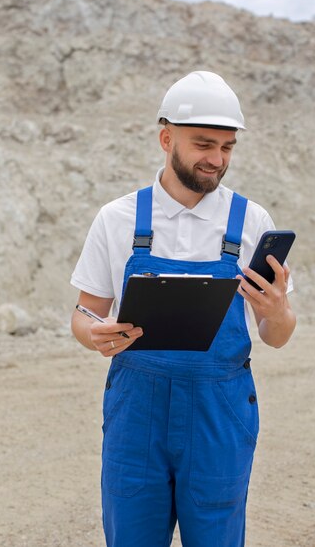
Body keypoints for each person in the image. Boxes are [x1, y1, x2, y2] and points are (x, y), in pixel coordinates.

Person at [70, 70, 296, 547]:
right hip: (137, 411)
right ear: (166, 137)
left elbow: (275, 335)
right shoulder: (118, 219)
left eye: (228, 147)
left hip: (220, 412)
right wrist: (94, 333)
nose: (217, 160)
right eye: (203, 144)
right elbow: (84, 312)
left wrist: (276, 310)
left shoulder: (253, 222)